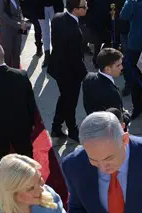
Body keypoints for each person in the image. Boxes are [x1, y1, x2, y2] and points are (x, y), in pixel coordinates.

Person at [0, 43, 39, 164]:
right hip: (22, 129)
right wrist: (31, 123)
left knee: (4, 166)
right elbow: (30, 103)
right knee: (27, 163)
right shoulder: (21, 75)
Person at [48, 0, 89, 142]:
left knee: (64, 98)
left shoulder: (57, 17)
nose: (87, 8)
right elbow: (75, 58)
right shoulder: (74, 32)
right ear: (75, 9)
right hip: (70, 72)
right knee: (70, 102)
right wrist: (85, 75)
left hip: (58, 67)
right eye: (84, 7)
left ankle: (56, 126)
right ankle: (72, 129)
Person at [83, 48, 125, 115]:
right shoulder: (113, 93)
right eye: (118, 65)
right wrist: (126, 114)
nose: (122, 67)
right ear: (107, 69)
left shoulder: (88, 77)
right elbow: (118, 118)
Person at [0, 0, 28, 68]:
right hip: (6, 31)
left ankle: (16, 72)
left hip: (18, 30)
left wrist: (22, 20)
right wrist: (18, 24)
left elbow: (19, 10)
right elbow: (2, 15)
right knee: (7, 56)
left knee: (17, 54)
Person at [36, 0, 65, 66]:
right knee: (45, 33)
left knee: (57, 32)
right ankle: (47, 56)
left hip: (56, 5)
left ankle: (57, 55)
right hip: (40, 7)